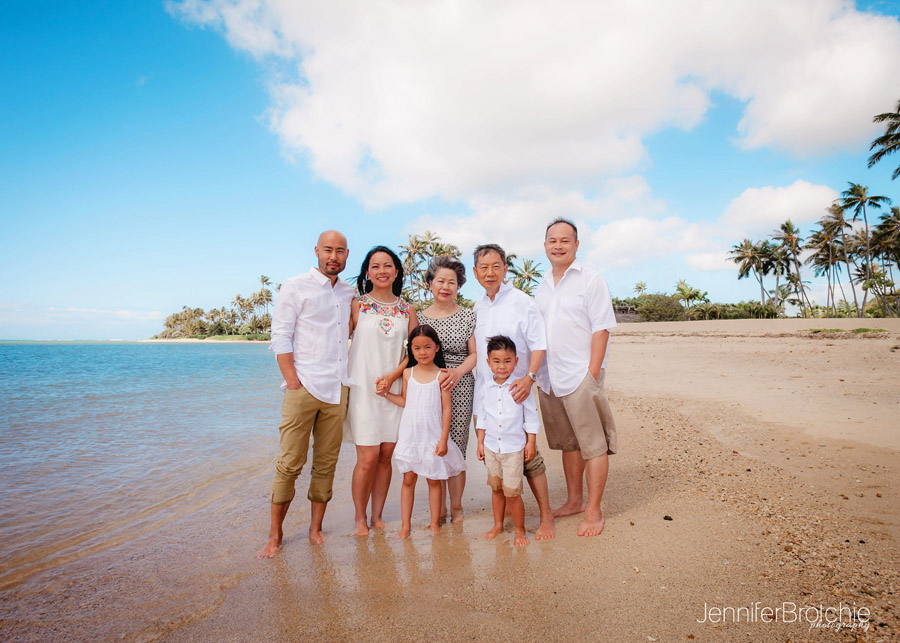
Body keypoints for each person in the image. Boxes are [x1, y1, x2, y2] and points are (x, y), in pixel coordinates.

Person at [257, 230, 355, 557]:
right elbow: (280, 337)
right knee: (289, 463)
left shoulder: (349, 293)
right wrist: (292, 380)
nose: (333, 257)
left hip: (337, 389)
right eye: (328, 250)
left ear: (347, 254)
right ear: (316, 251)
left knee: (327, 463)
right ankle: (275, 535)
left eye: (340, 251)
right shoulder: (295, 286)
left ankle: (315, 529)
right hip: (303, 387)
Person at [535, 218, 618, 537]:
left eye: (564, 240)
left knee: (593, 445)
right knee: (569, 444)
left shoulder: (591, 280)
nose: (558, 246)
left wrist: (591, 376)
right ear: (545, 245)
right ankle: (574, 501)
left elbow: (602, 329)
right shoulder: (542, 286)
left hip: (580, 375)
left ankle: (594, 511)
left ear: (576, 245)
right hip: (549, 377)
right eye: (552, 240)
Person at [472, 244, 556, 540]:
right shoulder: (478, 307)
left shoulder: (522, 302)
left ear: (505, 269)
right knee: (495, 458)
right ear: (475, 273)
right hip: (486, 395)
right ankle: (506, 514)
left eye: (496, 266)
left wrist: (529, 378)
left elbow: (539, 344)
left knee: (530, 460)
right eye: (484, 267)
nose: (490, 273)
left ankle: (546, 516)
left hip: (516, 394)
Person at [345, 246, 418, 537]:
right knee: (367, 458)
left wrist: (392, 377)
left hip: (394, 390)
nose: (382, 271)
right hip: (363, 391)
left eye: (387, 265)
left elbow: (414, 353)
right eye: (375, 266)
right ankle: (359, 517)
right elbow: (337, 341)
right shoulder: (356, 305)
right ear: (367, 272)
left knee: (386, 455)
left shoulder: (407, 310)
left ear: (396, 271)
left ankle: (377, 515)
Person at [382, 325, 465, 538]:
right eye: (417, 348)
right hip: (411, 436)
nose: (422, 352)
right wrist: (386, 394)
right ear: (411, 350)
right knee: (408, 480)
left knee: (433, 480)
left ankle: (434, 524)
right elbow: (405, 401)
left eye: (427, 347)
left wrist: (443, 439)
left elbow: (447, 409)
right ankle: (405, 526)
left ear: (436, 347)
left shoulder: (442, 376)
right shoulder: (407, 373)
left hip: (432, 436)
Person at [418, 256, 476, 523]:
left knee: (456, 447)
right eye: (440, 281)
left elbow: (474, 354)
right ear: (430, 283)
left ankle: (457, 507)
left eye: (452, 282)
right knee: (434, 446)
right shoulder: (419, 318)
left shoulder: (468, 316)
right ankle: (438, 507)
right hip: (429, 388)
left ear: (459, 286)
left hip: (460, 386)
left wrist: (457, 372)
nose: (446, 287)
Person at [477, 335, 538, 548]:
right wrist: (480, 442)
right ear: (488, 362)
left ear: (516, 361)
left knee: (512, 493)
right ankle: (498, 525)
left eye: (507, 361)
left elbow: (531, 417)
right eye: (496, 361)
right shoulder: (486, 388)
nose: (502, 366)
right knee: (496, 489)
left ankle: (520, 530)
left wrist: (531, 443)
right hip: (491, 446)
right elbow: (482, 416)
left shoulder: (520, 387)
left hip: (513, 449)